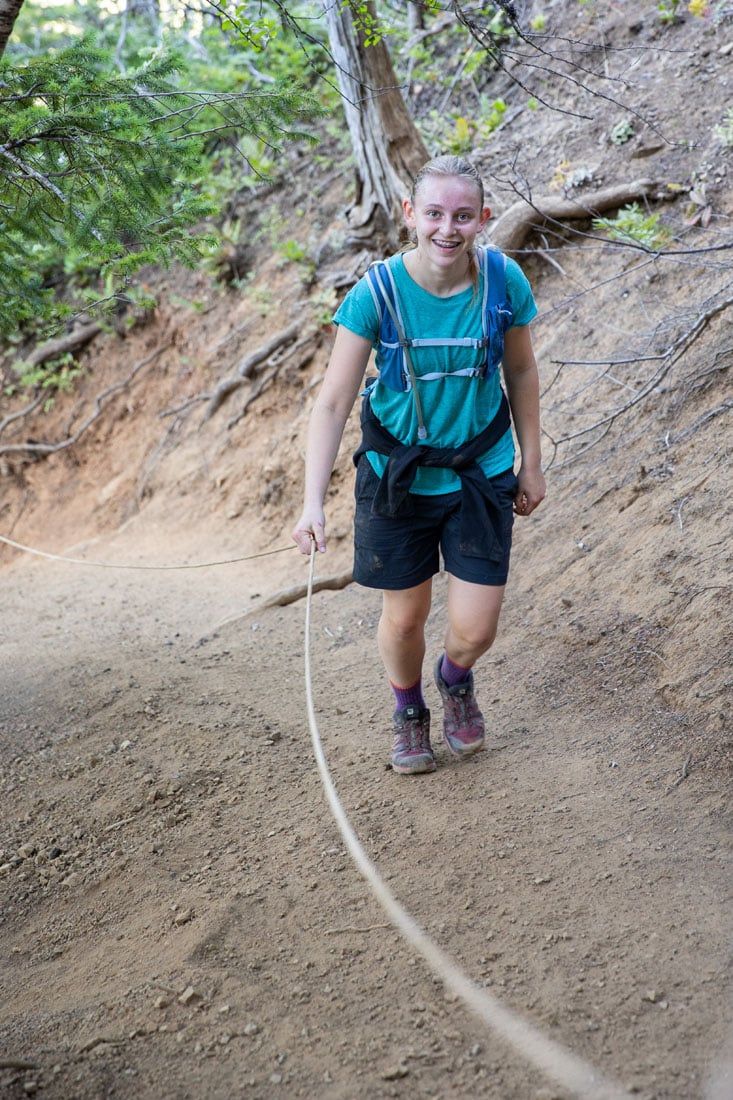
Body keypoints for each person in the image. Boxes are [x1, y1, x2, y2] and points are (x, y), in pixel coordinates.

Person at [292, 155, 545, 775]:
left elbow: (521, 371)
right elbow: (332, 403)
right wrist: (311, 502)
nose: (447, 229)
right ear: (410, 214)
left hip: (480, 471)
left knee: (476, 629)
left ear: (483, 218)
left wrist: (532, 462)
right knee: (404, 619)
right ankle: (409, 709)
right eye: (433, 213)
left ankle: (454, 679)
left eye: (463, 216)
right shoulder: (375, 293)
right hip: (397, 479)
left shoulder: (503, 282)